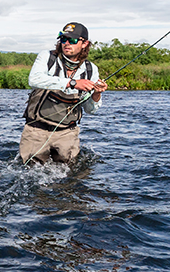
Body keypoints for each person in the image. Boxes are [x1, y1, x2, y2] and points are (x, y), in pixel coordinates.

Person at [19, 22, 107, 165]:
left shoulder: (91, 70)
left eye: (72, 40)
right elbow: (34, 79)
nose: (66, 43)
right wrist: (72, 83)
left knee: (70, 178)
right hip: (36, 130)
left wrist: (96, 95)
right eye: (63, 39)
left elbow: (90, 110)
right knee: (30, 173)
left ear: (85, 44)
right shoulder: (47, 57)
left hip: (68, 133)